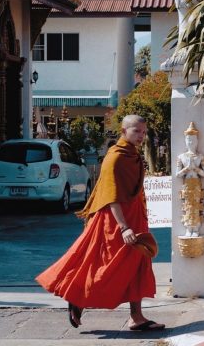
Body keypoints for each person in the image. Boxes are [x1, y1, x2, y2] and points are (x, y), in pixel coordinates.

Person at [36, 115, 163, 332]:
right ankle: (78, 298)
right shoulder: (115, 158)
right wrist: (124, 227)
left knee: (138, 265)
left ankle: (137, 317)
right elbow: (111, 196)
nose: (141, 136)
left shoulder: (132, 154)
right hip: (116, 222)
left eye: (143, 132)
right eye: (136, 131)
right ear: (123, 131)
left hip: (135, 218)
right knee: (108, 268)